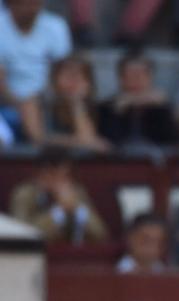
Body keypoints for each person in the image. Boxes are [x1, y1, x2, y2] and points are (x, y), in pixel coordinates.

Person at [0, 0, 73, 136]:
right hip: (7, 103)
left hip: (48, 99)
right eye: (26, 3)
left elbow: (62, 73)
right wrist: (22, 105)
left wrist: (41, 101)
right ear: (11, 4)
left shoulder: (56, 26)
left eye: (36, 3)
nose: (32, 9)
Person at [7, 147, 107, 244]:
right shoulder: (25, 194)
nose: (63, 181)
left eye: (66, 175)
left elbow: (101, 235)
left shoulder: (76, 192)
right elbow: (23, 236)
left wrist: (78, 207)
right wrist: (59, 210)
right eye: (56, 175)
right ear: (43, 173)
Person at [21, 53, 107, 150]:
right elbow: (37, 139)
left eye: (80, 75)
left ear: (89, 83)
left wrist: (76, 103)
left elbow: (87, 138)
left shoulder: (97, 108)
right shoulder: (33, 102)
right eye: (68, 74)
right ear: (54, 78)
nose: (74, 80)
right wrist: (78, 141)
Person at [96, 51, 177, 150]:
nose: (137, 80)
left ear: (150, 78)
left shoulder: (161, 107)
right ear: (121, 79)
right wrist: (118, 111)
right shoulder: (106, 108)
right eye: (131, 75)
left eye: (141, 74)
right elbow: (109, 143)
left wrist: (160, 108)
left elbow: (172, 143)